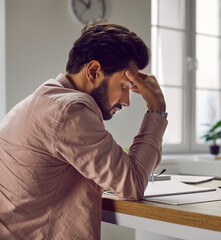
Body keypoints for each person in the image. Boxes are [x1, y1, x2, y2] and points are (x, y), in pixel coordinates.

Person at [0, 23, 167, 239]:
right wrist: (157, 110)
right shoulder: (69, 110)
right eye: (125, 87)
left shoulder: (40, 101)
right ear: (94, 71)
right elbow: (132, 185)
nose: (126, 101)